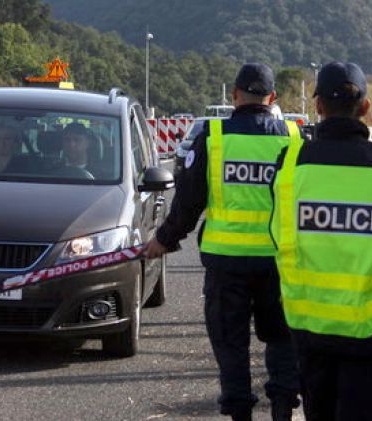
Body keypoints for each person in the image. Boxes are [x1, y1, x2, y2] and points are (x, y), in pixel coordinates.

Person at [144, 63, 303, 421]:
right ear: (273, 98)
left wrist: (163, 241)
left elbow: (188, 202)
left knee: (231, 345)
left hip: (226, 262)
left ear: (233, 95)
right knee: (281, 339)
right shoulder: (293, 137)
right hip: (280, 262)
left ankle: (240, 414)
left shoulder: (214, 138)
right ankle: (282, 410)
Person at [270, 62, 372, 420]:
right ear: (366, 107)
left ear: (318, 106)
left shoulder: (290, 164)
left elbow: (279, 238)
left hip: (310, 329)